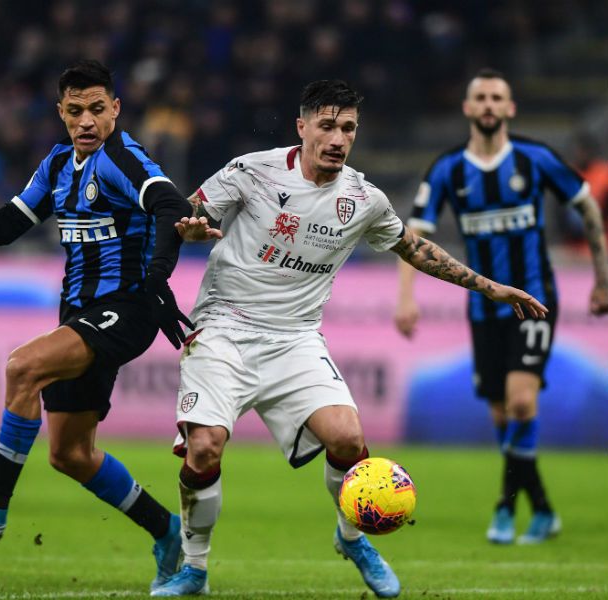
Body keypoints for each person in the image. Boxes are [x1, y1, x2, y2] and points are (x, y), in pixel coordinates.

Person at [150, 79, 548, 598]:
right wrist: (191, 226)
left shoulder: (363, 198)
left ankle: (353, 538)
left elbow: (414, 247)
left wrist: (490, 288)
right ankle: (195, 570)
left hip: (294, 339)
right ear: (303, 126)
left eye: (348, 128)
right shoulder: (253, 171)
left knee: (346, 438)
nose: (338, 138)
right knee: (203, 449)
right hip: (224, 329)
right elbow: (189, 211)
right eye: (328, 125)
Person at [0, 59, 193, 591]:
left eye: (96, 109)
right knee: (69, 453)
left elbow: (169, 205)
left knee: (23, 367)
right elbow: (7, 227)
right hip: (80, 314)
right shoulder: (60, 163)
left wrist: (157, 279)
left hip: (128, 308)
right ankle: (167, 530)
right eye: (74, 111)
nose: (86, 121)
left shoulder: (120, 157)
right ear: (60, 114)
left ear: (115, 108)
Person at [394, 69, 608, 545]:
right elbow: (413, 237)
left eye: (497, 97)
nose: (489, 104)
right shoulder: (449, 168)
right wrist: (406, 297)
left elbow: (588, 207)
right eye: (481, 98)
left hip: (535, 301)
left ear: (510, 108)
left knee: (520, 401)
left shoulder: (535, 159)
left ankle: (504, 508)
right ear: (468, 108)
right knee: (501, 417)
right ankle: (545, 510)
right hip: (483, 309)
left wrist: (601, 279)